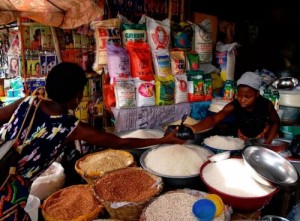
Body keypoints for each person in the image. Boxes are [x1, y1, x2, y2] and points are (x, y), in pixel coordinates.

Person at [0, 62, 185, 220]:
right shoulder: (69, 126)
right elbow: (119, 143)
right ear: (77, 97)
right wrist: (165, 139)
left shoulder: (28, 102)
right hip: (10, 189)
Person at [188, 72, 280, 144]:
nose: (242, 100)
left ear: (257, 94)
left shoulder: (266, 104)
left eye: (247, 97)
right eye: (239, 96)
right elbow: (214, 119)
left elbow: (275, 122)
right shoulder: (234, 105)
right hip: (243, 138)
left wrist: (267, 143)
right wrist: (192, 129)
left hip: (263, 138)